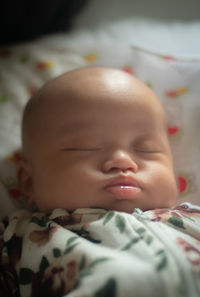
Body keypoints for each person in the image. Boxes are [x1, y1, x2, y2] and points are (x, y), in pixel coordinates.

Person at [19, 66, 177, 214]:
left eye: (146, 149)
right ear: (29, 183)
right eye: (83, 147)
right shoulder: (19, 234)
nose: (122, 161)